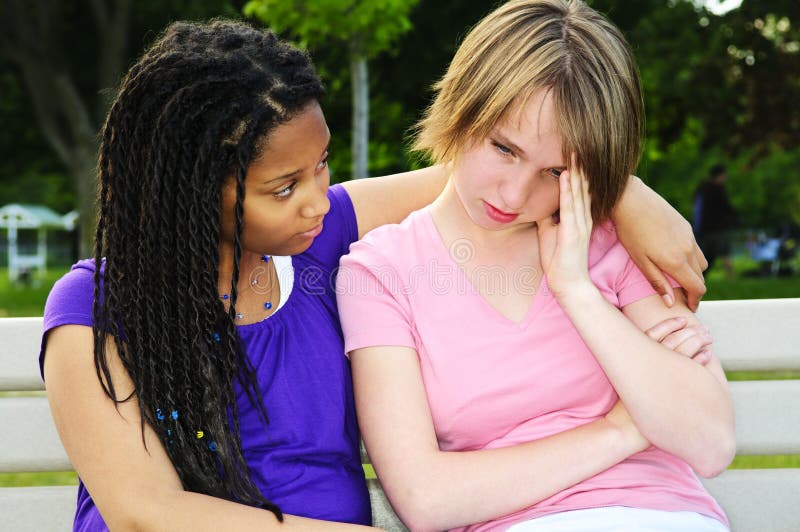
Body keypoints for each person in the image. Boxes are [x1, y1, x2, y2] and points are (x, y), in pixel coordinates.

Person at [41, 17, 709, 532]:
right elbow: (146, 513)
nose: (315, 197)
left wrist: (625, 191)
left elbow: (488, 170)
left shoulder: (313, 242)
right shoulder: (95, 305)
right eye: (283, 187)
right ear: (193, 189)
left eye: (323, 165)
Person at [337, 1, 735, 531]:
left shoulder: (615, 241)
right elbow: (424, 499)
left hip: (663, 515)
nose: (515, 192)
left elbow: (710, 442)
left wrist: (577, 291)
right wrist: (621, 431)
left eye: (555, 171)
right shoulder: (381, 272)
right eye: (504, 148)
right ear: (462, 108)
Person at [693, 164, 738, 277]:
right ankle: (731, 277)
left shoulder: (702, 189)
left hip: (702, 229)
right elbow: (727, 208)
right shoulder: (718, 189)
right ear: (721, 175)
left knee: (705, 255)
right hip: (717, 229)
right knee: (724, 252)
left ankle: (698, 276)